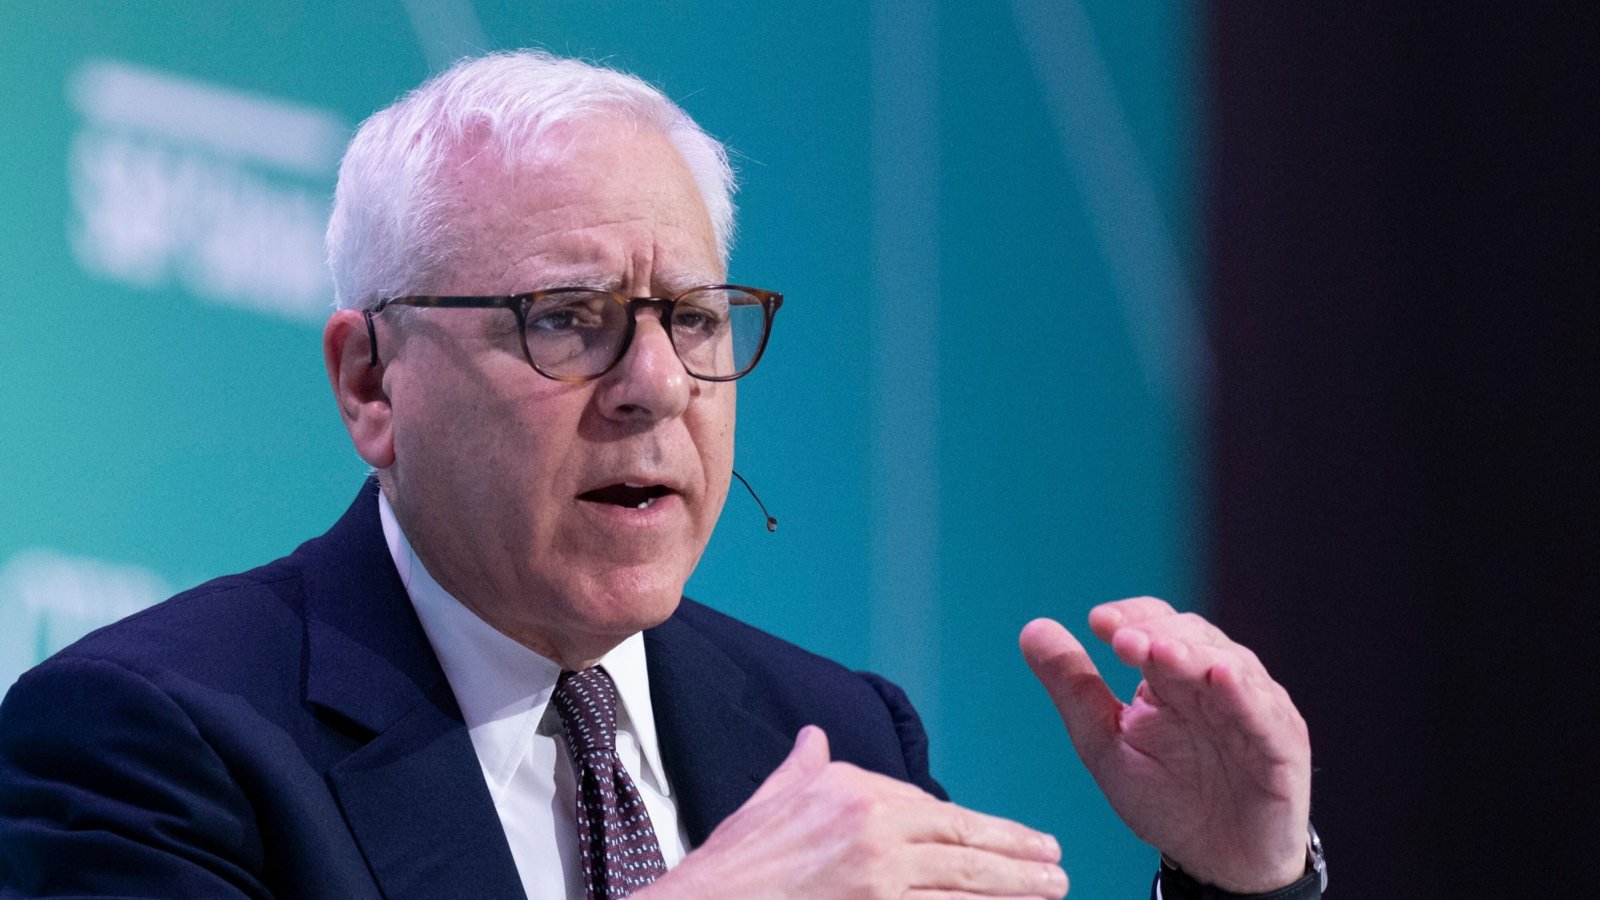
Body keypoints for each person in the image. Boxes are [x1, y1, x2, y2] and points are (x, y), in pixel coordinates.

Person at [0, 51, 1322, 899]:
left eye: (693, 318)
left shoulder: (835, 733)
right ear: (372, 383)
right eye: (567, 319)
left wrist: (1237, 885)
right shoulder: (153, 741)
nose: (656, 384)